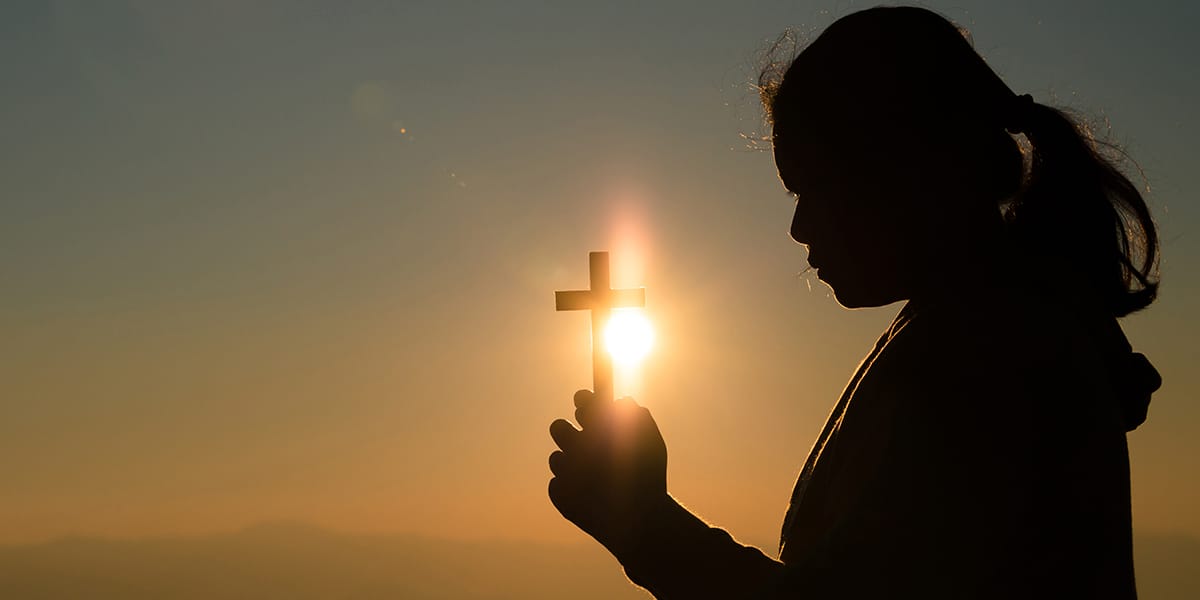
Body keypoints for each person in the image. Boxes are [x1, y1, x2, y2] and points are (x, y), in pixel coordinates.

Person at [546, 6, 1163, 598]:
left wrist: (648, 528)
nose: (799, 227)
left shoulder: (985, 361)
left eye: (817, 187)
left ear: (911, 173)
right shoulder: (978, 326)